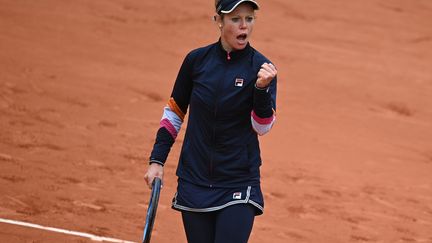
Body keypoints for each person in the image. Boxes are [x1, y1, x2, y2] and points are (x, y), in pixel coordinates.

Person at [144, 0, 277, 242]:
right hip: (194, 179)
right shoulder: (196, 61)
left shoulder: (261, 68)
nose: (243, 26)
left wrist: (260, 90)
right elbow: (174, 112)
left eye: (249, 19)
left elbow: (263, 126)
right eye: (235, 19)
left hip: (238, 179)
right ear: (218, 21)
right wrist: (157, 160)